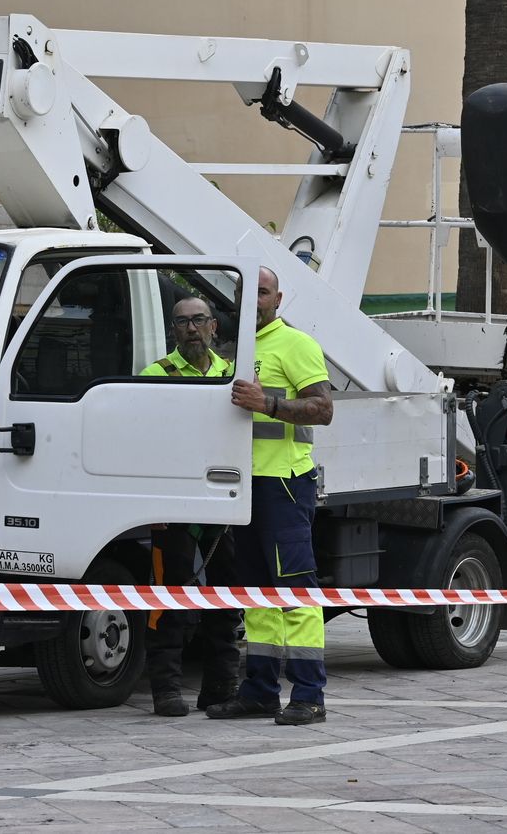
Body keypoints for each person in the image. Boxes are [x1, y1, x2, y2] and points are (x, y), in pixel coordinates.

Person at [207, 266, 335, 726]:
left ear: (278, 299)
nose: (255, 301)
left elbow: (323, 409)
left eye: (262, 293)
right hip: (240, 485)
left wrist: (271, 406)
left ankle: (308, 695)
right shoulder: (232, 352)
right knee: (256, 596)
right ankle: (259, 691)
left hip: (283, 484)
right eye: (247, 293)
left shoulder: (296, 344)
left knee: (296, 591)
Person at [139, 296, 242, 717]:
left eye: (199, 320)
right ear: (173, 331)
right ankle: (165, 689)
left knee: (226, 599)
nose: (191, 329)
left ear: (214, 327)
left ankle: (220, 687)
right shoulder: (154, 376)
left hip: (224, 502)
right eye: (182, 322)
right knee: (168, 599)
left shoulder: (232, 375)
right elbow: (141, 444)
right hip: (174, 505)